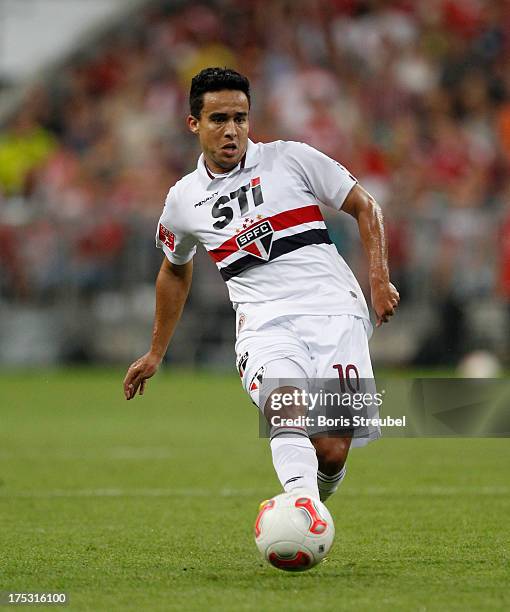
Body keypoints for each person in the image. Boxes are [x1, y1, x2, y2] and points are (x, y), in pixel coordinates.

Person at [123, 67, 399, 505]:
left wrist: (378, 278)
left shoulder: (291, 158)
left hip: (335, 310)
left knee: (330, 450)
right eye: (219, 120)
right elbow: (175, 268)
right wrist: (157, 350)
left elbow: (365, 205)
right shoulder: (183, 200)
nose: (232, 130)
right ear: (193, 124)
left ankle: (312, 502)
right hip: (264, 322)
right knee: (284, 403)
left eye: (240, 118)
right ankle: (302, 510)